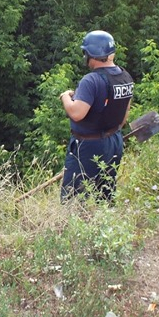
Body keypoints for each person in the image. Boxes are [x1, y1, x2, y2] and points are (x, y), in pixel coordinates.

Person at [59, 30, 135, 202]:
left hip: (89, 145)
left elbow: (76, 113)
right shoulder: (125, 77)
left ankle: (75, 228)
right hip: (114, 141)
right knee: (105, 196)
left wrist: (65, 97)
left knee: (73, 199)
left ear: (89, 54)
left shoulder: (90, 80)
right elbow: (123, 118)